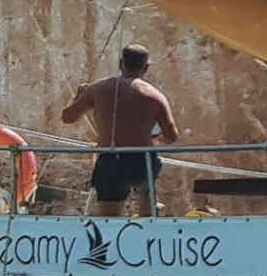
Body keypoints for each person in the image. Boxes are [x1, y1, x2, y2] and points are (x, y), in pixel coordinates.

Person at [61, 46, 180, 216]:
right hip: (142, 162)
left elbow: (68, 117)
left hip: (111, 160)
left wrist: (80, 96)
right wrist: (160, 139)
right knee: (147, 202)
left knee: (110, 219)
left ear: (120, 63)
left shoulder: (98, 89)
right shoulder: (155, 96)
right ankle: (148, 215)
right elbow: (172, 136)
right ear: (146, 68)